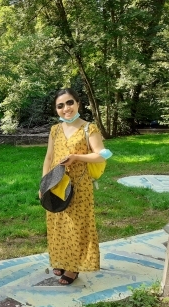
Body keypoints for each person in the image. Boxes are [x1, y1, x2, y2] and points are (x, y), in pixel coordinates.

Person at [39, 88, 109, 285]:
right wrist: (44, 183)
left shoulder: (89, 128)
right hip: (56, 184)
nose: (66, 108)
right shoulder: (55, 130)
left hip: (80, 187)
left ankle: (73, 267)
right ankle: (61, 259)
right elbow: (49, 157)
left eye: (69, 103)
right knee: (57, 224)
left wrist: (77, 157)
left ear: (78, 103)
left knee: (76, 226)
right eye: (60, 106)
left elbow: (102, 154)